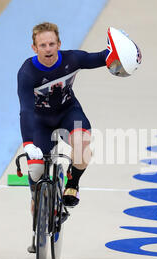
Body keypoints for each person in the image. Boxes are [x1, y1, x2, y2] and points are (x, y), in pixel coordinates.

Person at [17, 22, 108, 212]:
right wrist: (28, 144)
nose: (48, 49)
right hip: (40, 122)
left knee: (82, 146)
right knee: (36, 170)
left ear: (59, 44)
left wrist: (120, 51)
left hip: (68, 113)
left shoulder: (72, 59)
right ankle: (36, 197)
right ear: (34, 48)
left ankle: (72, 183)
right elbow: (25, 110)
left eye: (51, 44)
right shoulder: (27, 73)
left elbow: (102, 57)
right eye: (42, 45)